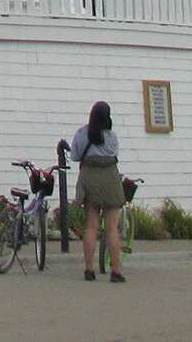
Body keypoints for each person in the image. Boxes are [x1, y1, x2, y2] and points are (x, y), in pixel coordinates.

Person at [71, 100, 125, 283]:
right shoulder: (112, 136)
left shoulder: (81, 133)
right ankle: (116, 271)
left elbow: (75, 156)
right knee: (111, 229)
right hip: (109, 178)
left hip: (89, 177)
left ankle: (89, 269)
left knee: (91, 227)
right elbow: (114, 155)